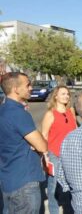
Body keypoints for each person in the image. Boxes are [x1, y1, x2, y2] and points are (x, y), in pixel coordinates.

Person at [0, 72, 48, 214]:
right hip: (24, 182)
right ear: (15, 89)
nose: (31, 88)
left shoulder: (3, 110)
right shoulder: (18, 113)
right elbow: (42, 146)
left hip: (8, 179)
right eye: (27, 85)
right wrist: (35, 140)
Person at [41, 85, 76, 214]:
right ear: (55, 96)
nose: (66, 96)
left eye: (67, 94)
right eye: (63, 94)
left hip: (71, 155)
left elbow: (76, 132)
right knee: (53, 188)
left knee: (70, 186)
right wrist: (45, 156)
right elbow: (44, 135)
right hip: (54, 155)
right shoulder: (50, 114)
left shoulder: (71, 111)